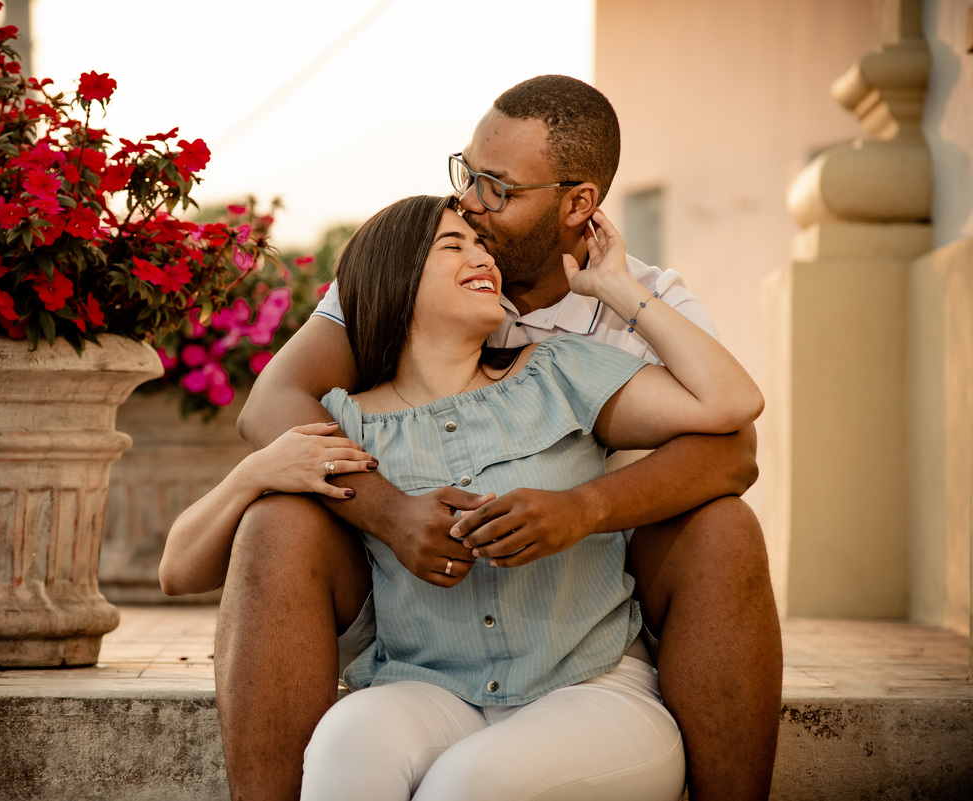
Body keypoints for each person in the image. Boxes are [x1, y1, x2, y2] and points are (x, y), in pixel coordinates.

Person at [216, 75, 783, 801]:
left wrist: (584, 508)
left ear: (577, 203)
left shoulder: (635, 309)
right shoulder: (414, 268)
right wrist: (390, 512)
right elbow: (271, 407)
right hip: (417, 614)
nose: (471, 207)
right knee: (278, 525)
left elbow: (732, 447)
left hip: (581, 604)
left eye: (499, 189)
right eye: (468, 175)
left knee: (724, 529)